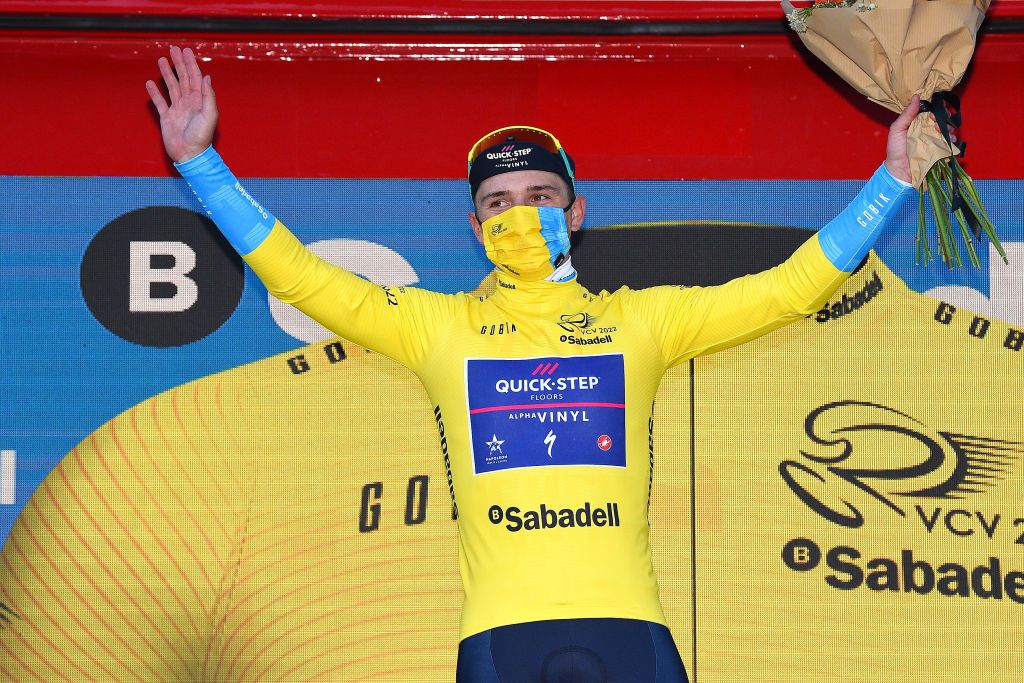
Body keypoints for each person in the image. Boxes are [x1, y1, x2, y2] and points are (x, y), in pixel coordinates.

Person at [145, 45, 918, 682]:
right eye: (499, 201)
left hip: (632, 635)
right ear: (476, 225)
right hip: (500, 642)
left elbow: (790, 289)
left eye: (540, 194)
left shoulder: (639, 322)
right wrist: (201, 163)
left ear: (577, 211)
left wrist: (893, 180)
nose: (520, 215)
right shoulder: (439, 328)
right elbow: (301, 276)